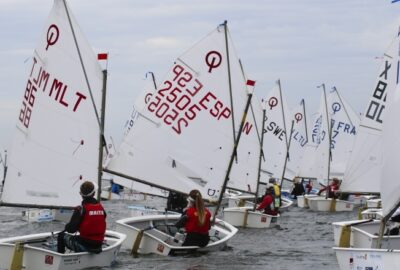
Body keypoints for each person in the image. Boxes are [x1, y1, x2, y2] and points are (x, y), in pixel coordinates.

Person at [57, 181, 106, 254]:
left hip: (85, 246)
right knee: (80, 238)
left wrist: (67, 226)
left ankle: (60, 258)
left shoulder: (80, 209)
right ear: (94, 193)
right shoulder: (101, 208)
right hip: (98, 245)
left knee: (61, 236)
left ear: (81, 194)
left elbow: (71, 230)